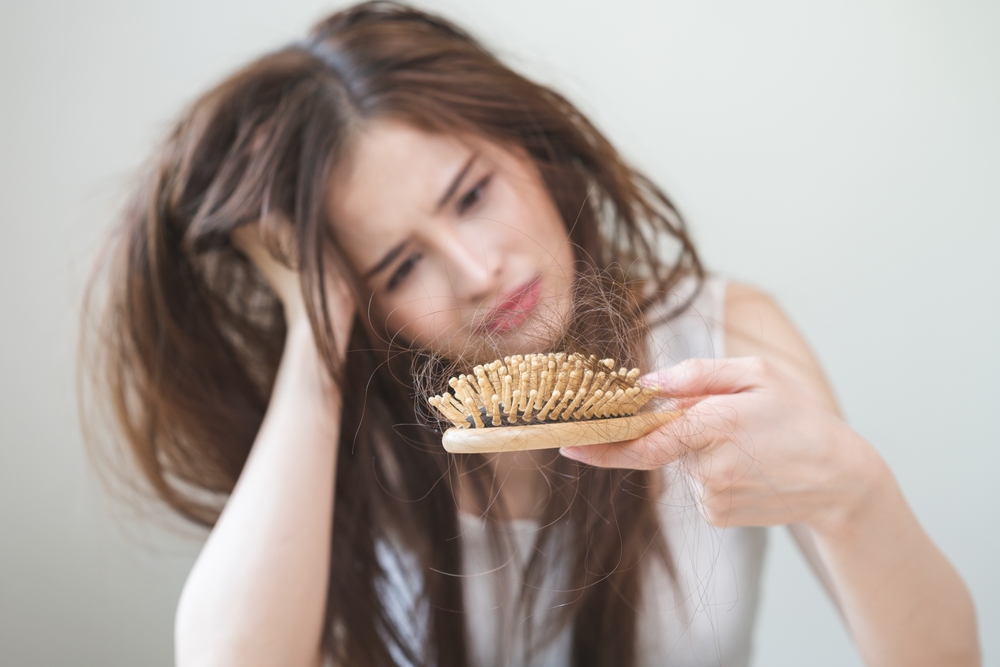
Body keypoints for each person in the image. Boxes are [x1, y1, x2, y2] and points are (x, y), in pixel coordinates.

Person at [81, 2, 979, 666]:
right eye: (399, 266)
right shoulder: (350, 435)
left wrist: (851, 497)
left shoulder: (722, 333)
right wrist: (315, 340)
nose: (477, 271)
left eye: (472, 193)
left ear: (530, 148)